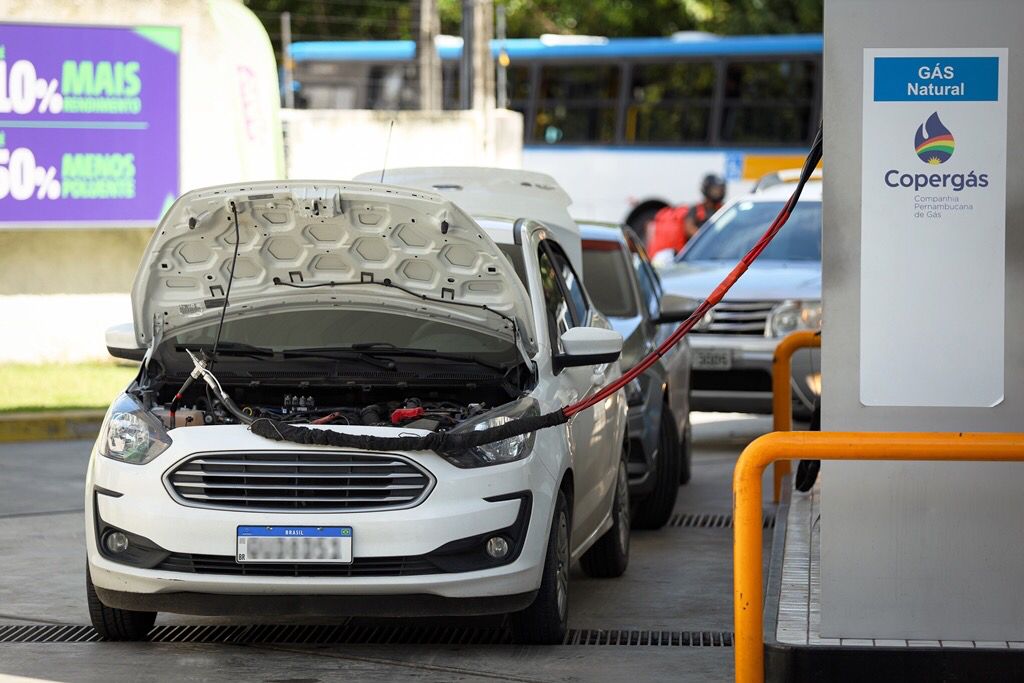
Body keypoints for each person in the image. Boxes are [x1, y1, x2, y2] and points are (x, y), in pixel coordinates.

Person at [646, 173, 727, 263]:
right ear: (706, 189)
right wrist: (706, 239)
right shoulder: (696, 209)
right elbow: (689, 228)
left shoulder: (725, 209)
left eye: (720, 189)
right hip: (698, 257)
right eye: (715, 190)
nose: (718, 192)